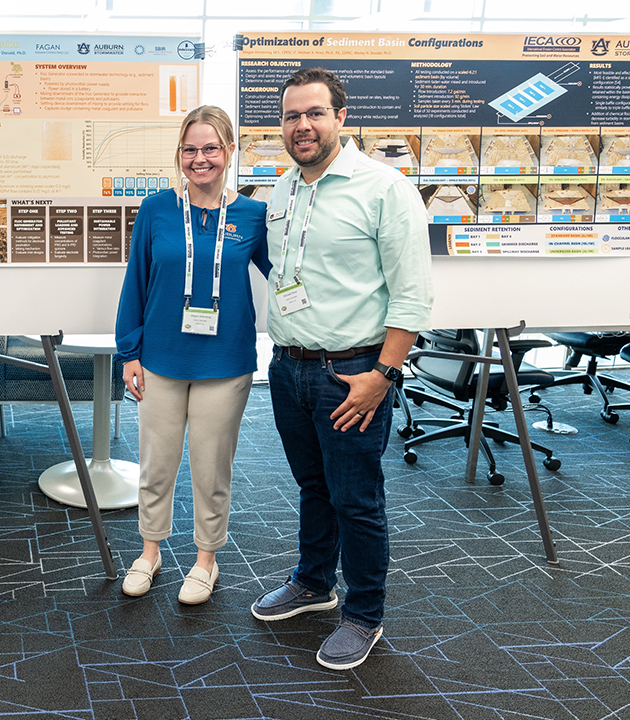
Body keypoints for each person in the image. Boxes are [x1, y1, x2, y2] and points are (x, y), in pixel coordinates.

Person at [249, 68, 433, 670]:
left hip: (354, 372)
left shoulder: (384, 188)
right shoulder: (281, 190)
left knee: (356, 499)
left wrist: (384, 374)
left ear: (341, 117)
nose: (301, 126)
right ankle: (313, 583)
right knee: (313, 487)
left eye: (314, 113)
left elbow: (412, 296)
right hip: (288, 369)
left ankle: (364, 614)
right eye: (290, 116)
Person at [114, 105, 270, 605]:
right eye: (190, 149)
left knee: (210, 466)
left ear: (228, 152)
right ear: (179, 155)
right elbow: (135, 283)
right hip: (160, 357)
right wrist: (129, 351)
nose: (200, 158)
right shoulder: (156, 209)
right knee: (156, 463)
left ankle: (206, 559)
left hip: (224, 362)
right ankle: (150, 551)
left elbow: (288, 275)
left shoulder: (252, 215)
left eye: (210, 148)